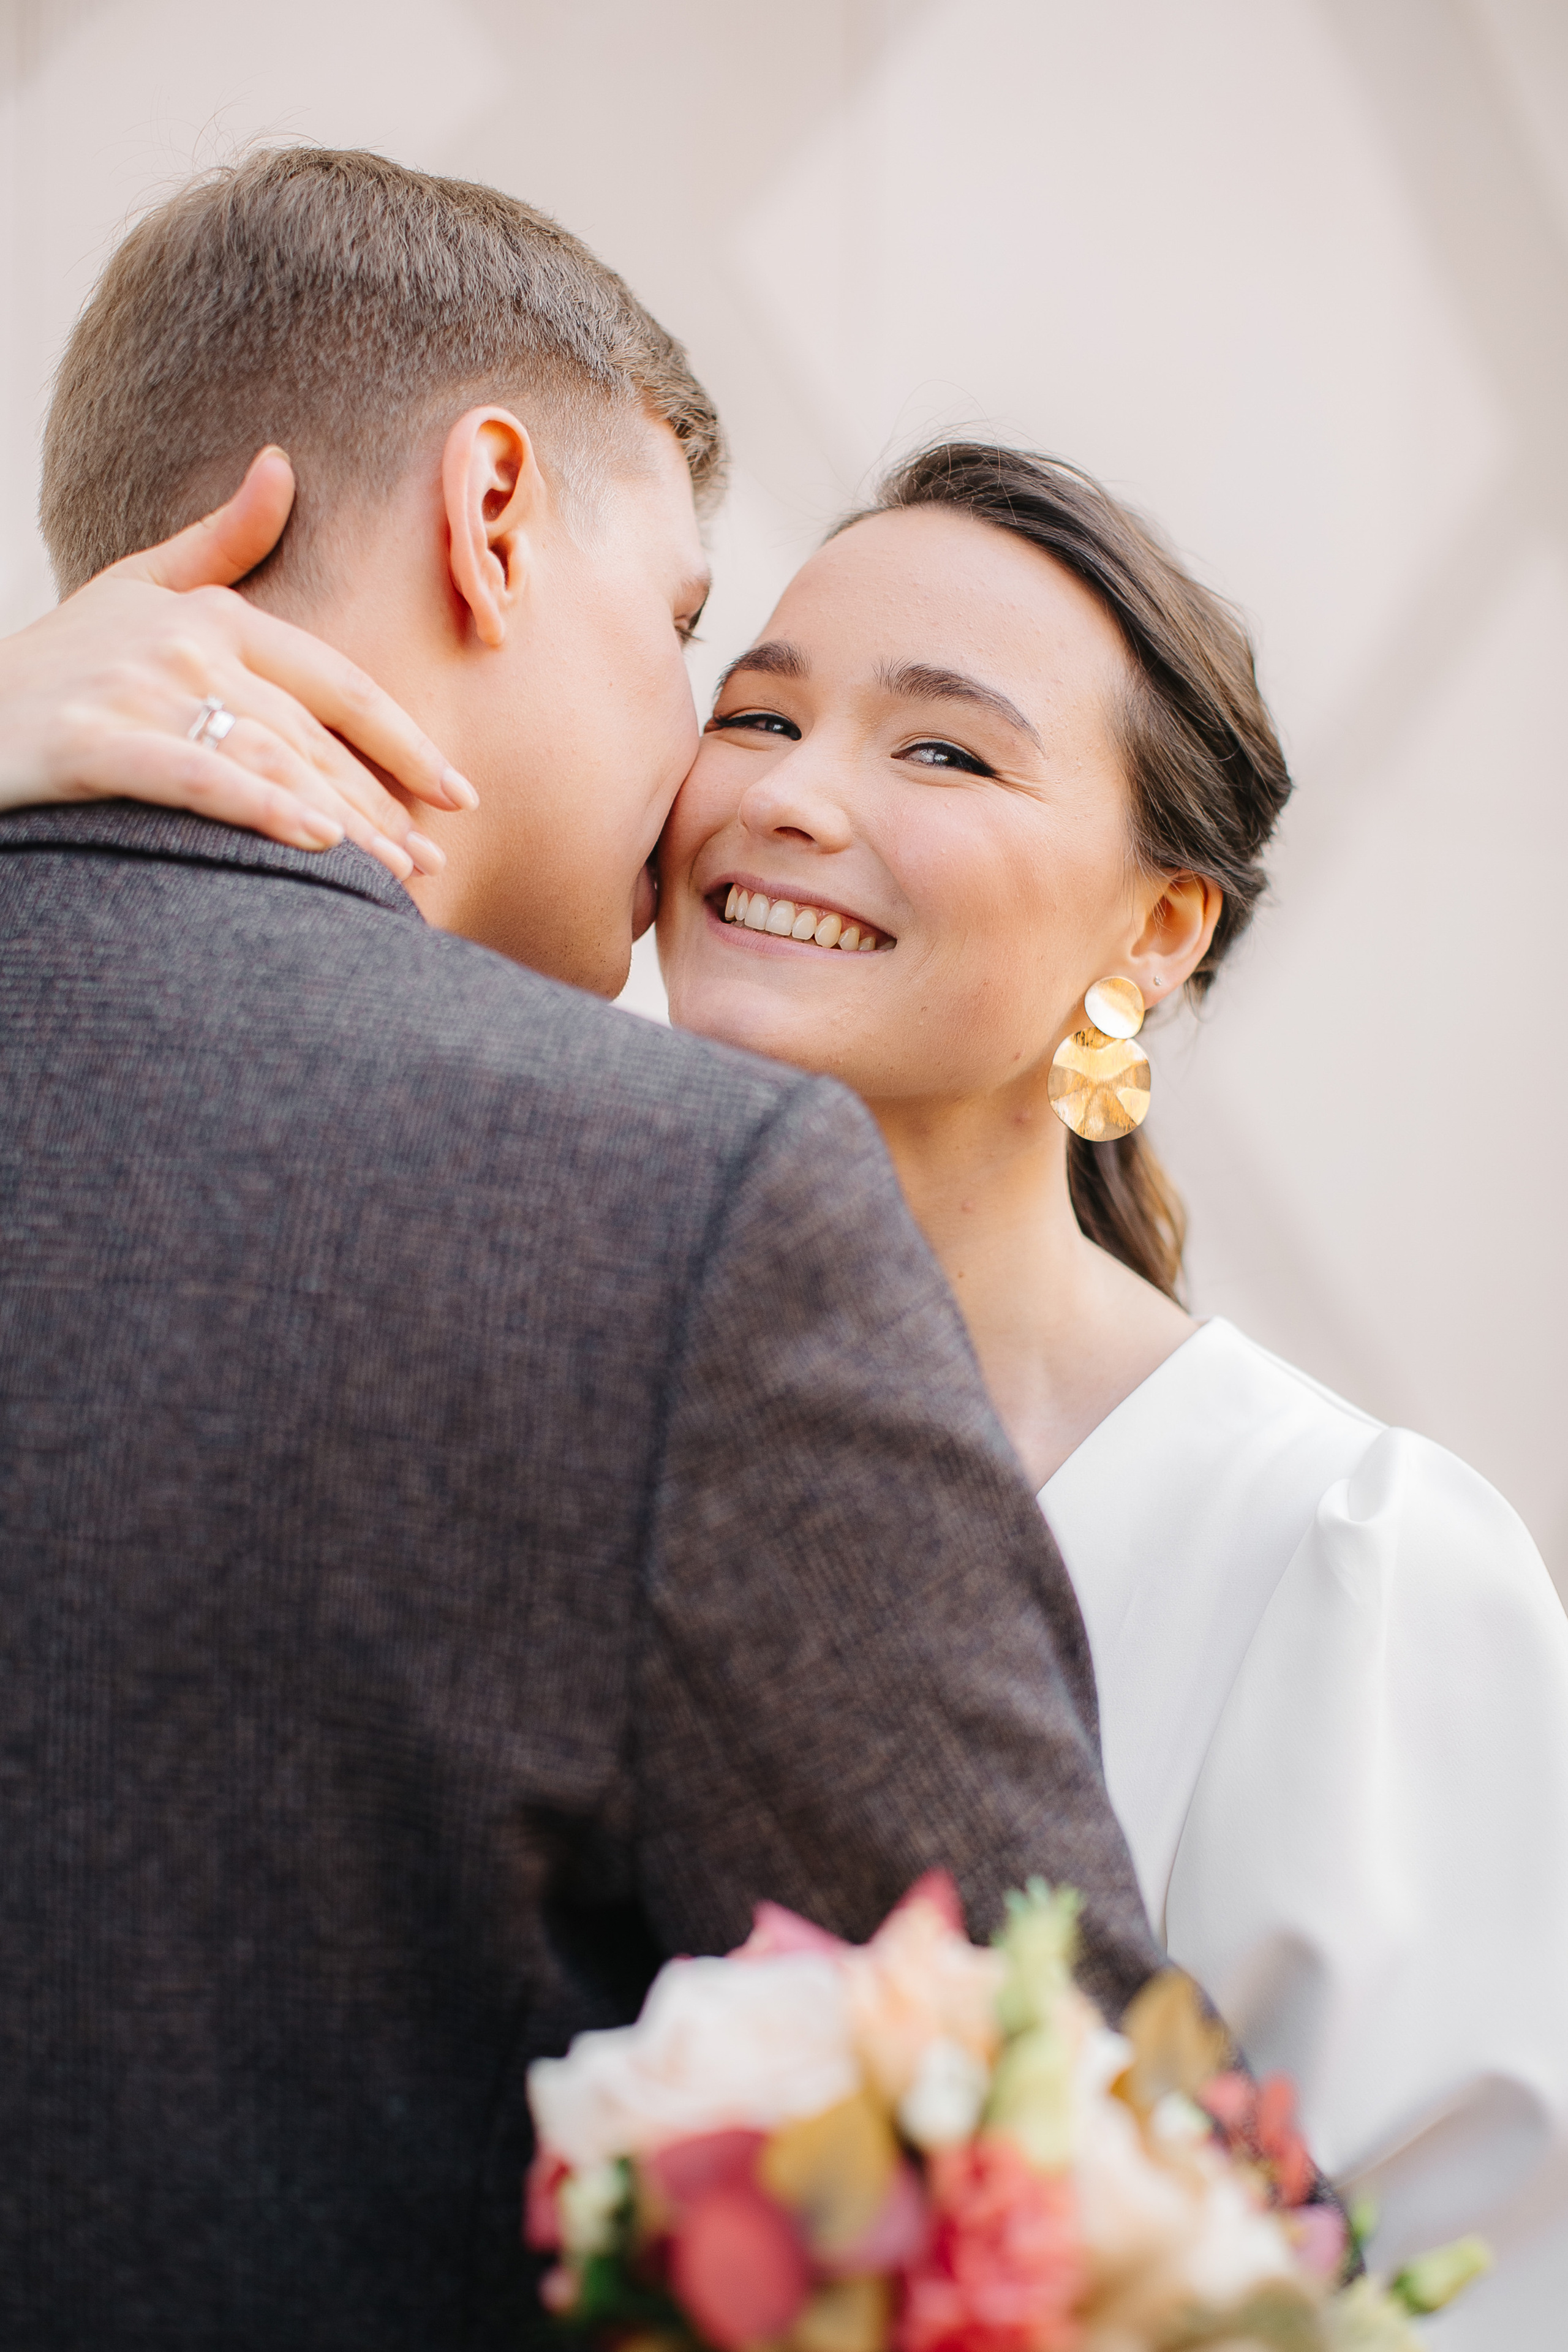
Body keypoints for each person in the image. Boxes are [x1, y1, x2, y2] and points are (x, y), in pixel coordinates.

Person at [22, 417, 1568, 2321]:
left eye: (940, 749)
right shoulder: (543, 1376)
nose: (791, 797)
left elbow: (1445, 2285)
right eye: (752, 714)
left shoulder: (1352, 1554)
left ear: (1159, 929)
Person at [0, 152, 1169, 2350]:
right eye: (688, 640)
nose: (695, 809)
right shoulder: (677, 1204)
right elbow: (1075, 2169)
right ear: (495, 512)